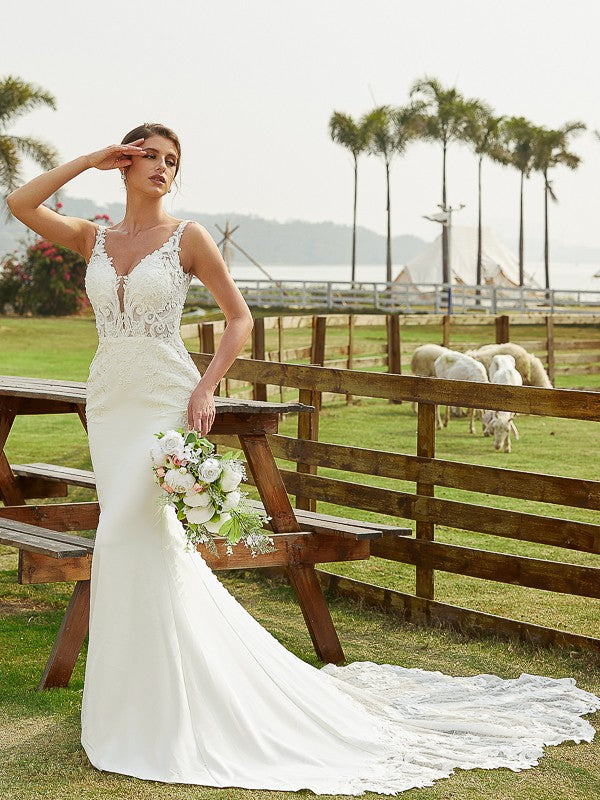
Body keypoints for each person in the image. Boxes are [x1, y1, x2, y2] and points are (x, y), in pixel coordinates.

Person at [7, 122, 599, 796]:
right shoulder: (95, 237)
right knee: (133, 542)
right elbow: (21, 204)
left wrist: (207, 388)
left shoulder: (188, 238)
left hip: (165, 397)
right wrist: (87, 160)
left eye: (174, 160)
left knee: (125, 535)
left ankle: (165, 706)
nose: (163, 168)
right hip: (109, 400)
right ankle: (141, 702)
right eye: (150, 156)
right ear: (125, 161)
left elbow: (239, 320)